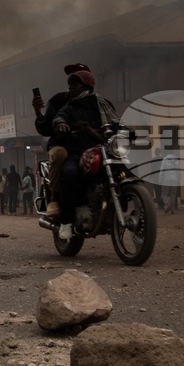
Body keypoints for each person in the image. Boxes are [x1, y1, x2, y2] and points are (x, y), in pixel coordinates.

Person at [52, 70, 118, 242]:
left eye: (75, 83)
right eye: (70, 84)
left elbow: (117, 123)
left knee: (124, 168)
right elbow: (59, 117)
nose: (71, 87)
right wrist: (61, 123)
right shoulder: (70, 107)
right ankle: (66, 222)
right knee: (70, 173)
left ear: (87, 86)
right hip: (78, 152)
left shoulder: (104, 105)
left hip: (104, 150)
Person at [33, 63, 93, 218]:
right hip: (63, 145)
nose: (73, 82)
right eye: (71, 78)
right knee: (61, 156)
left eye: (79, 77)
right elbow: (47, 128)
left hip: (90, 146)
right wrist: (38, 113)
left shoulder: (99, 103)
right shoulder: (60, 101)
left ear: (88, 81)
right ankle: (55, 198)